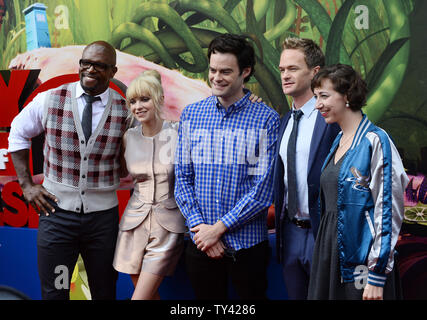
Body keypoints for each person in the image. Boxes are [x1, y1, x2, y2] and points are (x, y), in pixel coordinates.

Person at [8, 41, 128, 300]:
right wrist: (27, 185)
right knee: (56, 289)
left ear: (113, 72)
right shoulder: (50, 99)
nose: (90, 70)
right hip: (57, 216)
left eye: (99, 65)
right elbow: (17, 132)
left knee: (104, 289)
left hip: (102, 221)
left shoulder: (125, 109)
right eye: (86, 63)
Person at [174, 33, 280, 300]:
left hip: (248, 246)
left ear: (245, 72)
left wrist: (218, 229)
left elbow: (263, 191)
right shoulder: (192, 114)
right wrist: (201, 229)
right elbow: (183, 179)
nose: (216, 77)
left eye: (225, 71)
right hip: (200, 243)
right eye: (212, 70)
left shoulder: (267, 119)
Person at [308, 63, 409, 300]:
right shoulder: (339, 141)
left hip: (362, 261)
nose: (318, 104)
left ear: (347, 96)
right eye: (315, 97)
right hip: (330, 252)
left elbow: (388, 209)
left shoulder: (375, 140)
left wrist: (376, 274)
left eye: (324, 96)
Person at [273, 37, 340, 300]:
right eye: (282, 70)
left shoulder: (332, 120)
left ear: (315, 73)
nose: (285, 75)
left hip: (323, 233)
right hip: (289, 233)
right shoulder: (284, 121)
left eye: (293, 68)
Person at [112, 70, 187, 300]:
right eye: (132, 101)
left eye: (145, 99)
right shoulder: (128, 137)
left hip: (169, 225)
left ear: (159, 99)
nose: (138, 106)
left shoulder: (179, 132)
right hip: (133, 224)